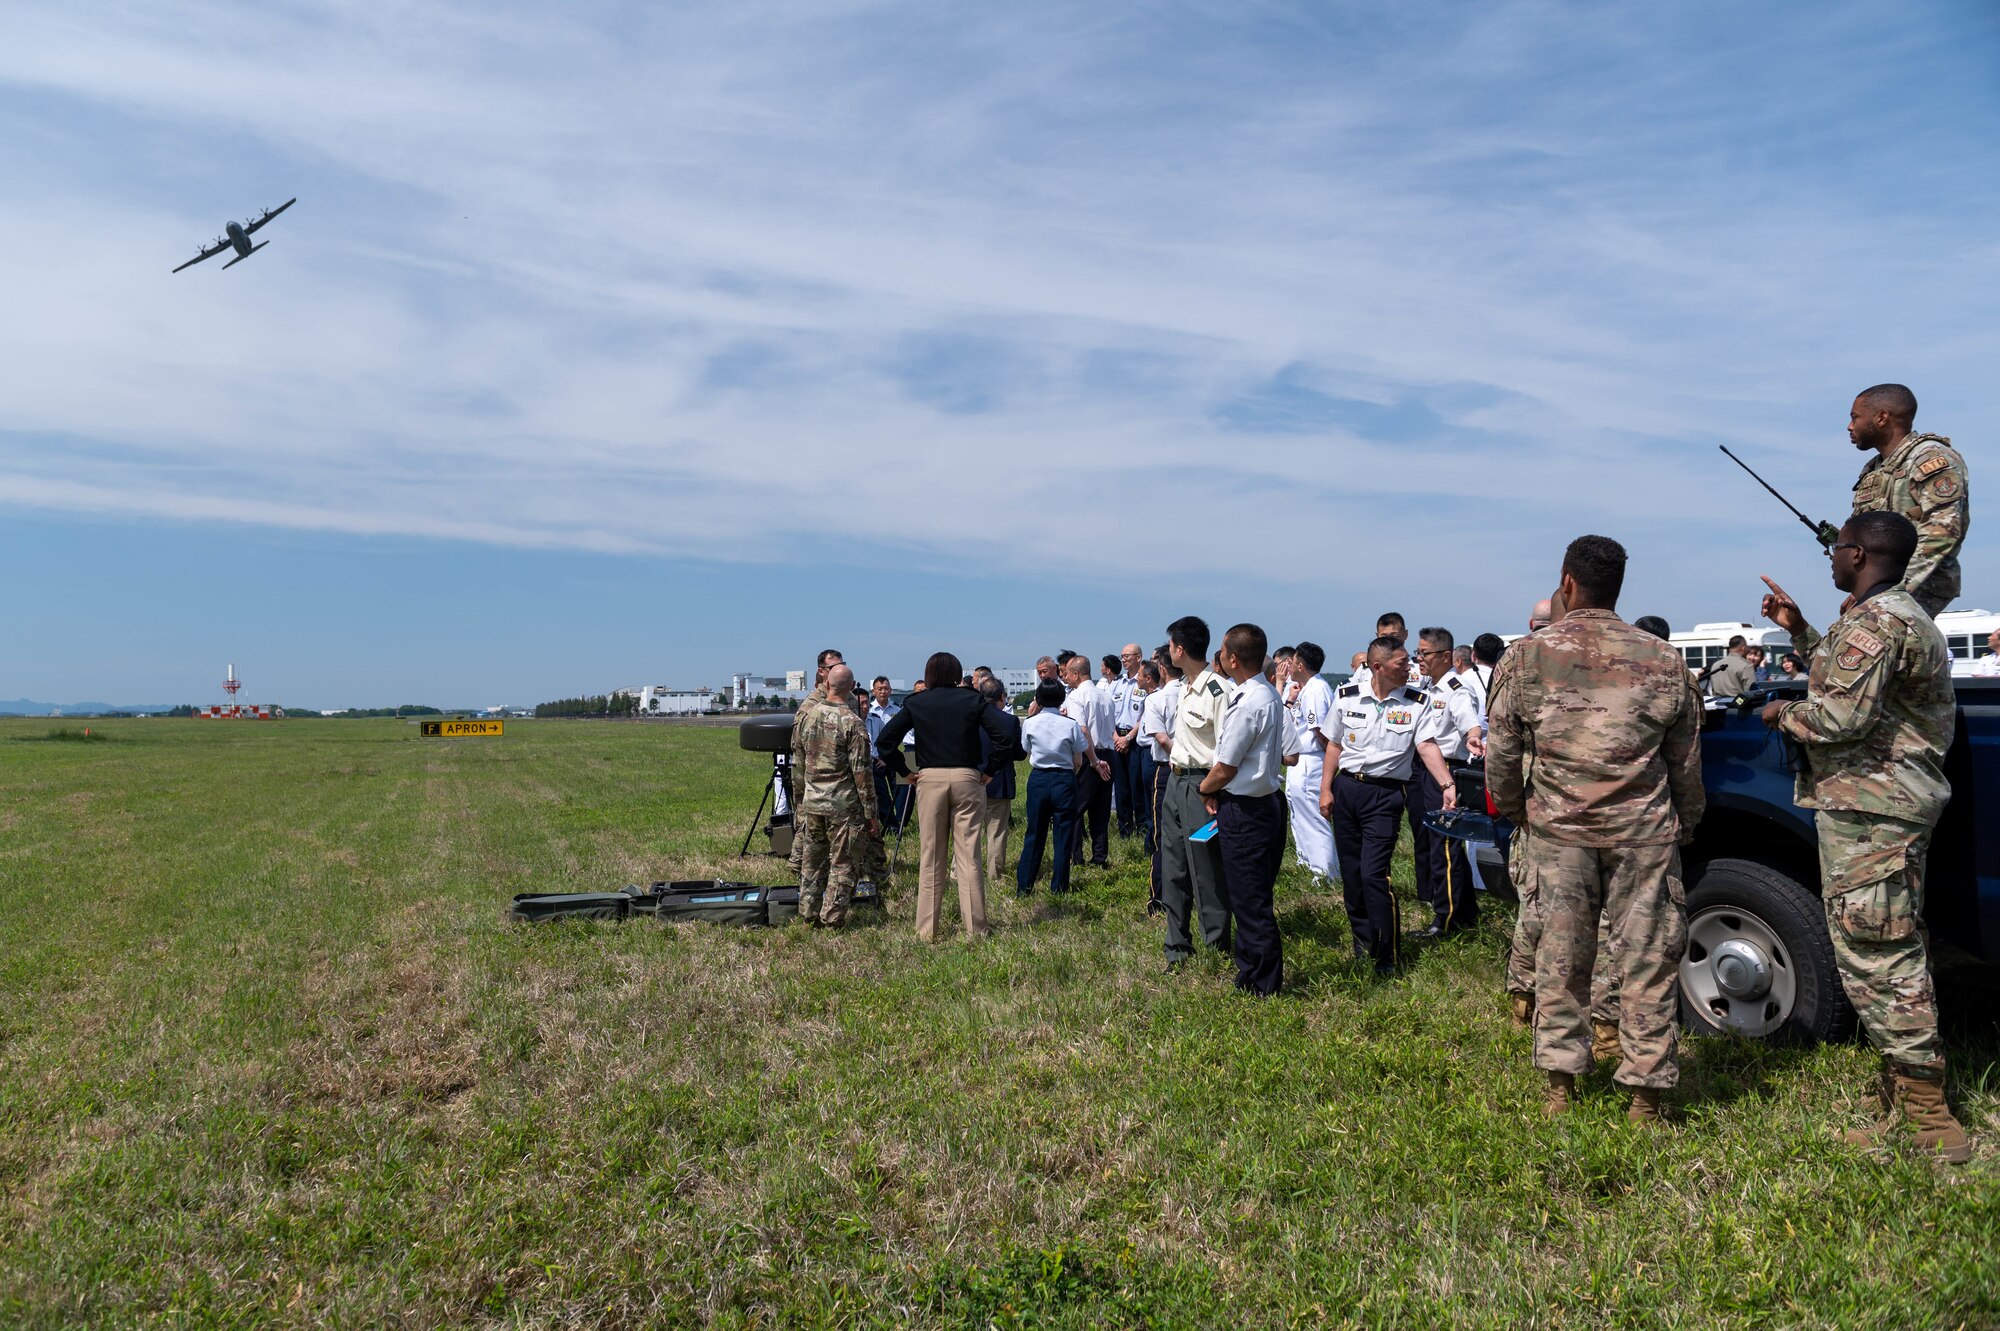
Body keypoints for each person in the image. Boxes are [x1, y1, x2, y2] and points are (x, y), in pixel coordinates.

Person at [1758, 513, 1968, 1161]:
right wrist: (1801, 631)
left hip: (1875, 811)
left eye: (1837, 549)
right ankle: (1903, 1094)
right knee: (1890, 944)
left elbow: (1841, 714)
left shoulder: (1879, 621)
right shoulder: (1893, 616)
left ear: (1858, 552)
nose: (1830, 559)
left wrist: (1780, 711)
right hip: (1883, 807)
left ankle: (1930, 1115)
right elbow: (1855, 679)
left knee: (1879, 952)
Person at [1486, 535, 1704, 1124]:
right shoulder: (1664, 658)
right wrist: (1685, 822)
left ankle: (1561, 1087)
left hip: (1559, 834)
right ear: (1617, 588)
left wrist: (1518, 814)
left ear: (1567, 583)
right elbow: (1684, 761)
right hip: (1644, 835)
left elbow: (1502, 756)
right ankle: (1645, 1095)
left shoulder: (1527, 656)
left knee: (1560, 961)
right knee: (1648, 962)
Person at [1317, 636, 1455, 975]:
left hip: (1386, 795)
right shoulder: (1347, 697)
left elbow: (1426, 746)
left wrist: (1446, 784)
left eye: (1410, 660)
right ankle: (1362, 943)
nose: (1410, 666)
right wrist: (1326, 790)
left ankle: (1387, 954)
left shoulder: (1415, 701)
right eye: (1402, 662)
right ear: (1377, 667)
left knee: (1374, 874)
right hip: (1348, 789)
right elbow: (1333, 746)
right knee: (1352, 874)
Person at [876, 652, 1015, 942]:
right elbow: (1005, 737)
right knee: (969, 857)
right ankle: (976, 929)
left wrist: (905, 771)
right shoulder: (974, 699)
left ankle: (927, 930)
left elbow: (885, 741)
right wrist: (989, 770)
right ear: (956, 673)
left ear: (928, 674)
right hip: (968, 778)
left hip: (930, 778)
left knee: (931, 856)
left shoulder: (917, 702)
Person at [1199, 624, 1288, 995]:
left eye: (1222, 650)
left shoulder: (1249, 702)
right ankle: (1249, 969)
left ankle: (1262, 982)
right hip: (1264, 804)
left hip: (1246, 809)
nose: (1219, 656)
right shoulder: (1264, 693)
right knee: (1252, 894)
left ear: (1232, 658)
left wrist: (1204, 788)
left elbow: (1226, 767)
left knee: (1249, 899)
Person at [1847, 384, 1969, 616]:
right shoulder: (1876, 469)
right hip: (1881, 592)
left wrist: (1894, 591)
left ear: (1882, 417)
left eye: (1855, 417)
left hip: (1918, 588)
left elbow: (1943, 532)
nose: (1850, 426)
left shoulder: (1930, 458)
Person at [1159, 616, 1233, 970]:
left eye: (1170, 645)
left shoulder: (1218, 691)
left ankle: (1217, 944)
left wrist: (1212, 791)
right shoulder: (1185, 687)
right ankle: (1176, 944)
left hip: (1202, 787)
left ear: (1180, 649)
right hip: (1176, 781)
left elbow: (1226, 748)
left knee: (1205, 867)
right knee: (1173, 865)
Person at [790, 665, 879, 927]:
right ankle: (832, 917)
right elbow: (863, 774)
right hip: (843, 806)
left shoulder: (808, 716)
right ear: (852, 688)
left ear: (827, 684)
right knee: (843, 863)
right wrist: (871, 814)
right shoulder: (852, 723)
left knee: (812, 861)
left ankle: (808, 912)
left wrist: (800, 802)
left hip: (812, 803)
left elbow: (798, 762)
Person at [1411, 627, 1485, 937]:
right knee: (1436, 842)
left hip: (1448, 772)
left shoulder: (1455, 689)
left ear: (1445, 656)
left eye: (1424, 653)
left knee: (1444, 846)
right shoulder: (1429, 687)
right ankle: (1466, 911)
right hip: (1428, 770)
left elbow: (1470, 723)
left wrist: (1473, 737)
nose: (1419, 658)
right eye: (1418, 652)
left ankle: (1446, 918)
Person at [1015, 679, 1087, 895]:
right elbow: (1078, 760)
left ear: (1038, 699)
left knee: (1034, 833)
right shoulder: (1071, 724)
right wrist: (1069, 775)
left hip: (1038, 778)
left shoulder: (1030, 723)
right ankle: (1059, 887)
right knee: (1063, 834)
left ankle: (1024, 887)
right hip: (1064, 778)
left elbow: (1026, 749)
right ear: (1061, 699)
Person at [1283, 642, 1337, 884]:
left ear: (1301, 665)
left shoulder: (1316, 689)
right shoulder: (1304, 688)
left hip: (1312, 759)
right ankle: (1309, 861)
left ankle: (1326, 871)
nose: (1290, 666)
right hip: (1301, 759)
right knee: (1300, 815)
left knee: (1315, 818)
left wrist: (1332, 763)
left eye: (1293, 662)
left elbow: (1320, 731)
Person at [1059, 655, 1115, 867]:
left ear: (1076, 674)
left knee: (1075, 808)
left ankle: (1076, 856)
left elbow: (1083, 731)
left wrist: (1093, 761)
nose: (1066, 678)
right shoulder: (1105, 695)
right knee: (1101, 810)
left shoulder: (1075, 696)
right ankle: (1099, 857)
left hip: (1088, 756)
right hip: (1109, 754)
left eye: (1067, 674)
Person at [1139, 658, 1181, 913]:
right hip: (1202, 771)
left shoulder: (1157, 699)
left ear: (1162, 670)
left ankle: (1160, 898)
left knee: (1163, 836)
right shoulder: (1193, 693)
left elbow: (1161, 738)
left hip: (1168, 768)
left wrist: (1181, 757)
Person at [976, 677, 1026, 889]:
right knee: (996, 831)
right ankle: (995, 875)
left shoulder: (970, 718)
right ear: (1002, 697)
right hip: (999, 779)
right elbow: (1019, 753)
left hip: (972, 781)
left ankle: (958, 871)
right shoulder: (1009, 721)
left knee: (968, 832)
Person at [1109, 643, 1150, 849]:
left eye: (1128, 656)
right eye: (1122, 656)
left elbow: (1146, 714)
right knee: (1121, 786)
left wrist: (1129, 737)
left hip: (1134, 740)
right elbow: (1108, 713)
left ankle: (1142, 827)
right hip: (1117, 738)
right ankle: (1125, 828)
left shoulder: (1144, 681)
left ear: (1138, 657)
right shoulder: (1117, 684)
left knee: (1137, 786)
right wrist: (1116, 736)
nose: (1124, 659)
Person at [865, 676, 907, 831]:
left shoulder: (897, 710)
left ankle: (901, 821)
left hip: (892, 757)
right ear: (874, 691)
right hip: (875, 759)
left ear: (891, 690)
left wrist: (888, 757)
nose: (883, 691)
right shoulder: (868, 710)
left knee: (900, 791)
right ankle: (890, 825)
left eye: (886, 688)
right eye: (879, 689)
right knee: (882, 796)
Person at [1348, 613, 1407, 689]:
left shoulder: (1418, 668)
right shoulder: (1364, 671)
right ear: (1377, 636)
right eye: (1384, 636)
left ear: (1405, 634)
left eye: (1394, 636)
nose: (1389, 640)